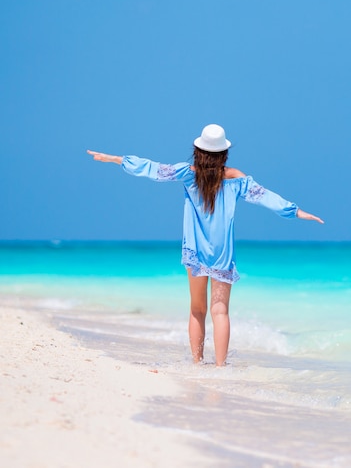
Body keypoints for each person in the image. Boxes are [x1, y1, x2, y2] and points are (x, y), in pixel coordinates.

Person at [87, 124, 323, 366]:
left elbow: (153, 169)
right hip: (222, 252)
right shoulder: (236, 178)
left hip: (195, 249)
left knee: (197, 309)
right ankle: (221, 368)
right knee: (220, 311)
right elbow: (265, 196)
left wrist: (115, 159)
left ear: (197, 151)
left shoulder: (188, 173)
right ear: (224, 154)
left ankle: (198, 364)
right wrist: (296, 212)